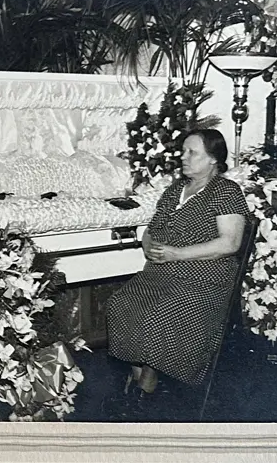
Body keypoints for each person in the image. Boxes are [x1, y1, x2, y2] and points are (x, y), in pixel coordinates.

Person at [106, 128, 251, 394]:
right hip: (159, 274)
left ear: (213, 159)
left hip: (204, 279)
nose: (183, 157)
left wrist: (177, 254)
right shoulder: (176, 189)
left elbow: (230, 243)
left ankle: (146, 386)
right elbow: (152, 229)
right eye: (183, 151)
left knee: (159, 314)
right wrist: (148, 245)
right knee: (120, 304)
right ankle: (139, 383)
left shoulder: (226, 191)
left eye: (191, 152)